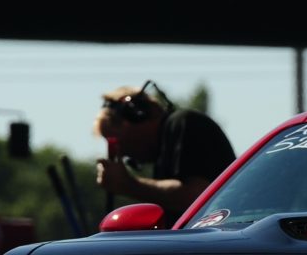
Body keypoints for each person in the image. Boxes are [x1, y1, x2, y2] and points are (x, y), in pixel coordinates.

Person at [93, 82, 236, 218]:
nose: (121, 152)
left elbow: (195, 196)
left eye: (116, 141)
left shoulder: (183, 123)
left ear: (137, 114)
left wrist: (128, 184)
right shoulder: (165, 148)